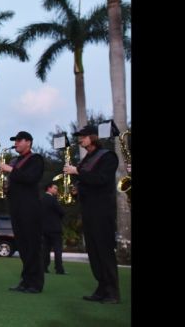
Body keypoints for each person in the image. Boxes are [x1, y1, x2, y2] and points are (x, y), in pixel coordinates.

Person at [64, 124, 120, 304]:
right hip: (88, 211)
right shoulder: (87, 158)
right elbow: (88, 181)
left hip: (103, 211)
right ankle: (102, 287)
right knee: (93, 252)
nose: (80, 139)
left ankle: (112, 292)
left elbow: (101, 180)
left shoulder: (108, 157)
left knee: (104, 251)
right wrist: (77, 190)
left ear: (93, 137)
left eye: (83, 136)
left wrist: (77, 171)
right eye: (79, 136)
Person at [0, 131, 44, 294]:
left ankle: (35, 283)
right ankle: (26, 280)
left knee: (33, 245)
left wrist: (11, 170)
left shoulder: (35, 159)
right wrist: (5, 188)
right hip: (16, 207)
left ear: (29, 142)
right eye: (15, 141)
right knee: (23, 246)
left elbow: (31, 178)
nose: (16, 143)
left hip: (30, 208)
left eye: (19, 140)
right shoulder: (15, 160)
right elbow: (17, 181)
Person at [41, 183, 66, 275]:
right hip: (55, 228)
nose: (56, 190)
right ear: (49, 188)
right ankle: (59, 269)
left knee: (45, 249)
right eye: (55, 188)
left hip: (44, 228)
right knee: (57, 249)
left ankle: (44, 268)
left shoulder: (41, 199)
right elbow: (61, 211)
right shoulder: (53, 199)